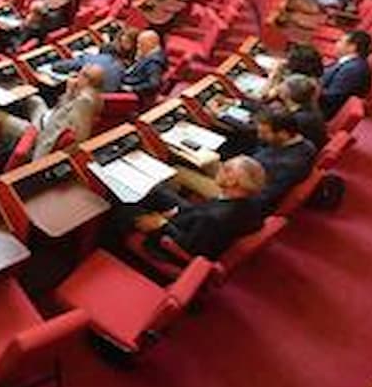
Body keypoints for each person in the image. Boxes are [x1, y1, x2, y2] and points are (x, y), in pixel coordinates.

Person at [129, 156, 266, 262]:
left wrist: (162, 224)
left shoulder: (214, 218)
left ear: (232, 182)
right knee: (158, 191)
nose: (219, 169)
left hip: (176, 242)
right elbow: (204, 211)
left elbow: (190, 248)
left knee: (128, 210)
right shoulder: (250, 201)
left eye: (224, 168)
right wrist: (177, 211)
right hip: (196, 221)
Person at [0, 65, 105, 157]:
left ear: (87, 79)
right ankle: (10, 138)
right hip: (47, 117)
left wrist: (40, 157)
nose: (76, 76)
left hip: (39, 132)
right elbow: (62, 111)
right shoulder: (94, 95)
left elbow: (78, 137)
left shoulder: (84, 102)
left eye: (80, 74)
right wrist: (69, 93)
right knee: (33, 99)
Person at [248, 107, 317, 214]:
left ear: (283, 134)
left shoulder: (287, 165)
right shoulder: (305, 143)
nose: (259, 136)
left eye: (264, 133)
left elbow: (261, 198)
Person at [319, 30, 372, 119]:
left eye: (340, 41)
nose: (336, 43)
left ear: (352, 47)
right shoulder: (351, 62)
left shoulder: (353, 70)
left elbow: (331, 98)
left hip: (322, 111)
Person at [48, 41, 128, 92]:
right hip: (106, 102)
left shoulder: (90, 59)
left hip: (87, 100)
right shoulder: (121, 67)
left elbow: (58, 66)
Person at [276, 74, 328, 150]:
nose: (279, 87)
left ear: (287, 93)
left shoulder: (298, 119)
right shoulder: (310, 107)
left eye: (283, 83)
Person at [121, 30, 166, 100]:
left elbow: (153, 84)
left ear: (150, 44)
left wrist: (132, 89)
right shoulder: (148, 54)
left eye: (141, 44)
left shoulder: (154, 62)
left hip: (132, 94)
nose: (138, 46)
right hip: (125, 82)